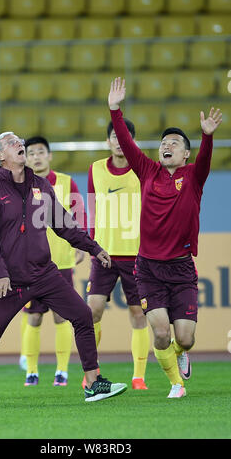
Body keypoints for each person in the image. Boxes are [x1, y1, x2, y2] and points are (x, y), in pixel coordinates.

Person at [0, 131, 127, 404]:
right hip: (9, 280)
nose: (20, 144)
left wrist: (93, 248)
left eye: (19, 141)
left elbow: (63, 224)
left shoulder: (41, 186)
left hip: (45, 274)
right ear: (0, 156)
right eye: (12, 143)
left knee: (83, 316)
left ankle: (93, 384)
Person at [108, 77, 222, 398]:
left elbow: (205, 159)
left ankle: (182, 352)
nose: (167, 146)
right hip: (148, 269)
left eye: (174, 143)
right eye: (163, 143)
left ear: (186, 153)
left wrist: (207, 136)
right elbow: (127, 144)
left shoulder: (193, 178)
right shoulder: (147, 171)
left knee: (184, 338)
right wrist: (115, 109)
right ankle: (176, 384)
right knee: (159, 334)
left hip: (181, 269)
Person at [84, 120, 150, 390]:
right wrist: (91, 245)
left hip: (136, 254)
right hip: (104, 254)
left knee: (138, 314)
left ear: (131, 141)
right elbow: (90, 207)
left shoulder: (143, 168)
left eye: (124, 138)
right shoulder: (96, 169)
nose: (119, 142)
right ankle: (91, 370)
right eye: (114, 137)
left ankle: (138, 377)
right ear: (108, 141)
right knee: (93, 311)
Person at [20, 135, 86, 387]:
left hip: (61, 262)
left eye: (40, 152)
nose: (36, 156)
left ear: (49, 155)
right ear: (25, 158)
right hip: (31, 264)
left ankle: (62, 371)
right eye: (31, 153)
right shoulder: (20, 184)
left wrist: (80, 243)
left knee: (61, 316)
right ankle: (32, 372)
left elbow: (78, 214)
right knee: (33, 317)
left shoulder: (67, 182)